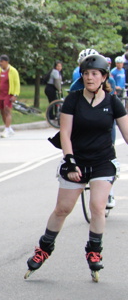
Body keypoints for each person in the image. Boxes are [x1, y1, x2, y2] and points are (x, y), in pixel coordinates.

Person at [25, 54, 128, 280]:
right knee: (63, 209)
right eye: (86, 74)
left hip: (102, 162)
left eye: (94, 74)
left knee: (98, 207)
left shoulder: (113, 102)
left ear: (103, 77)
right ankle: (44, 249)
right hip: (77, 161)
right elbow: (65, 133)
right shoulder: (73, 99)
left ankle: (94, 251)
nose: (89, 78)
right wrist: (70, 161)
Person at [0, 55, 20, 138]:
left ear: (6, 62)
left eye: (1, 62)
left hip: (8, 94)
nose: (0, 63)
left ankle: (6, 130)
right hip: (0, 94)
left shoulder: (13, 71)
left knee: (7, 111)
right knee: (2, 111)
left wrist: (15, 95)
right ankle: (9, 128)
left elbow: (17, 84)